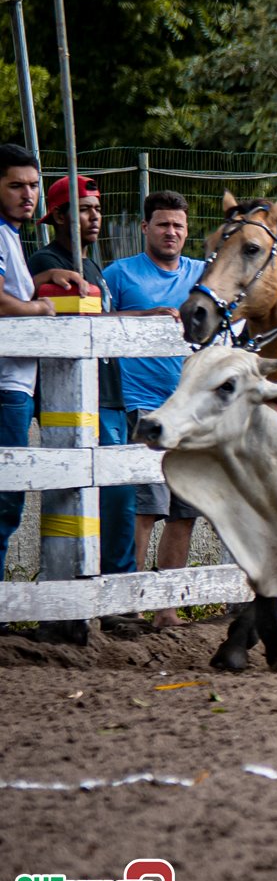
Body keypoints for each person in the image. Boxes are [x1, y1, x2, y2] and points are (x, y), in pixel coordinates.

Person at [103, 190, 206, 627]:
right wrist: (143, 317)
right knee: (145, 508)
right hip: (141, 406)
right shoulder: (120, 273)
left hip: (191, 411)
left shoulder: (204, 274)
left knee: (184, 512)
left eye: (179, 226)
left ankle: (165, 607)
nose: (171, 232)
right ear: (145, 228)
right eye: (163, 224)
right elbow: (93, 324)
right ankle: (130, 601)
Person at [28, 174, 136, 578]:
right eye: (85, 210)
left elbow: (104, 320)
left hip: (109, 392)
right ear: (58, 216)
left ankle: (111, 583)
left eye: (98, 209)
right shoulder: (47, 263)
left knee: (119, 492)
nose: (96, 218)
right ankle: (96, 583)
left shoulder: (91, 264)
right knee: (108, 494)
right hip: (78, 397)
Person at [0, 145, 88, 579]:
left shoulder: (10, 234)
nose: (27, 194)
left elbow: (9, 288)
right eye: (16, 185)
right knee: (4, 502)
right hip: (6, 385)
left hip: (16, 383)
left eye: (33, 185)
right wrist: (39, 308)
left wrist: (40, 282)